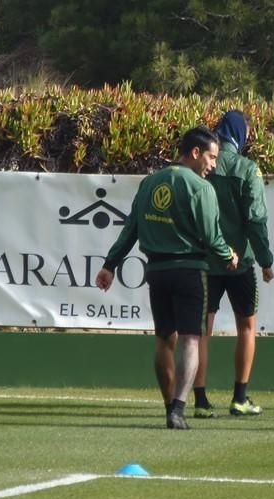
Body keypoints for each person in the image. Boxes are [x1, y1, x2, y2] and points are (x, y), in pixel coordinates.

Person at [95, 126, 238, 430]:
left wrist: (110, 264)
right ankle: (180, 408)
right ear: (195, 153)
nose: (213, 165)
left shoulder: (150, 182)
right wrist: (229, 256)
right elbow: (212, 237)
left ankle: (167, 406)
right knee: (190, 339)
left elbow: (131, 229)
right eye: (211, 158)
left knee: (163, 340)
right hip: (189, 270)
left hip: (156, 272)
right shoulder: (201, 188)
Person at [193, 110, 274, 418]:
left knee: (202, 331)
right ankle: (240, 397)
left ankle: (200, 400)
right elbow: (256, 219)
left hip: (205, 262)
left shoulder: (203, 164)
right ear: (241, 134)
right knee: (247, 328)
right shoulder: (247, 168)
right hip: (240, 264)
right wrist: (266, 261)